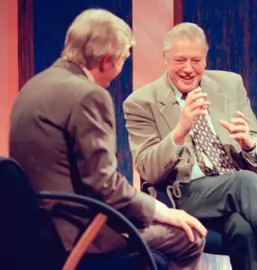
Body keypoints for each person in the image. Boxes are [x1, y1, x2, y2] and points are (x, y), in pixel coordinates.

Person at [9, 9, 207, 270]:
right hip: (78, 233)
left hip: (33, 232)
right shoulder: (88, 95)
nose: (121, 68)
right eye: (123, 59)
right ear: (105, 61)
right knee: (190, 236)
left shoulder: (34, 85)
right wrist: (164, 211)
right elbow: (105, 188)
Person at [123, 22, 257, 270]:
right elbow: (148, 169)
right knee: (247, 182)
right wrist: (179, 131)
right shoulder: (141, 102)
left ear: (205, 60)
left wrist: (248, 144)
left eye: (196, 60)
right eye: (180, 60)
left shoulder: (229, 85)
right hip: (184, 195)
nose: (188, 69)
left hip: (236, 195)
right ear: (165, 58)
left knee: (244, 227)